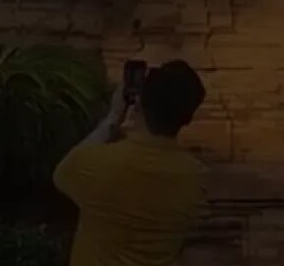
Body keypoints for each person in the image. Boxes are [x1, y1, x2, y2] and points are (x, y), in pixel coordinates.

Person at [53, 60, 207, 266]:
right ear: (187, 118)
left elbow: (62, 174)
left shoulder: (100, 163)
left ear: (140, 103)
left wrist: (113, 117)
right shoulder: (195, 178)